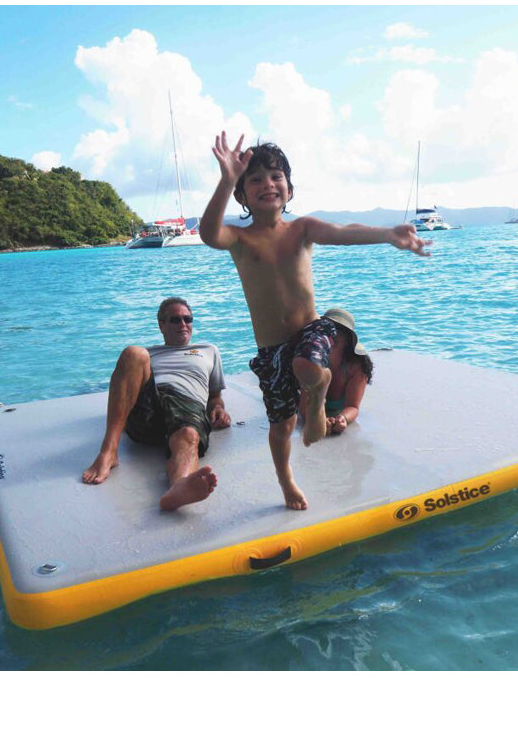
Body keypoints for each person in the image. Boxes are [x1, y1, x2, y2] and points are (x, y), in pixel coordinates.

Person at [200, 133, 430, 510]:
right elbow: (208, 233)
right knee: (281, 425)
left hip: (312, 332)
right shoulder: (239, 239)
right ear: (242, 196)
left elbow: (342, 232)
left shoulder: (302, 229)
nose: (267, 185)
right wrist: (226, 179)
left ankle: (319, 392)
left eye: (276, 177)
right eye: (254, 180)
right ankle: (287, 480)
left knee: (306, 364)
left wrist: (386, 234)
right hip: (271, 349)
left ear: (289, 189)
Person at [82, 297, 231, 512]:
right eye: (175, 320)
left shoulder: (209, 350)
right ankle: (108, 452)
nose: (183, 324)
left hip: (186, 404)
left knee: (189, 435)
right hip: (150, 406)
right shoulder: (149, 353)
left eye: (188, 319)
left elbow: (215, 396)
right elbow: (124, 388)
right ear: (161, 325)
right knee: (133, 352)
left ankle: (179, 487)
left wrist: (218, 408)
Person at [298, 307, 373, 436]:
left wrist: (343, 418)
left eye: (335, 331)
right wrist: (319, 421)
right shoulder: (311, 361)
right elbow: (305, 409)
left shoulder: (357, 367)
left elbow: (353, 407)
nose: (329, 336)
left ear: (347, 341)